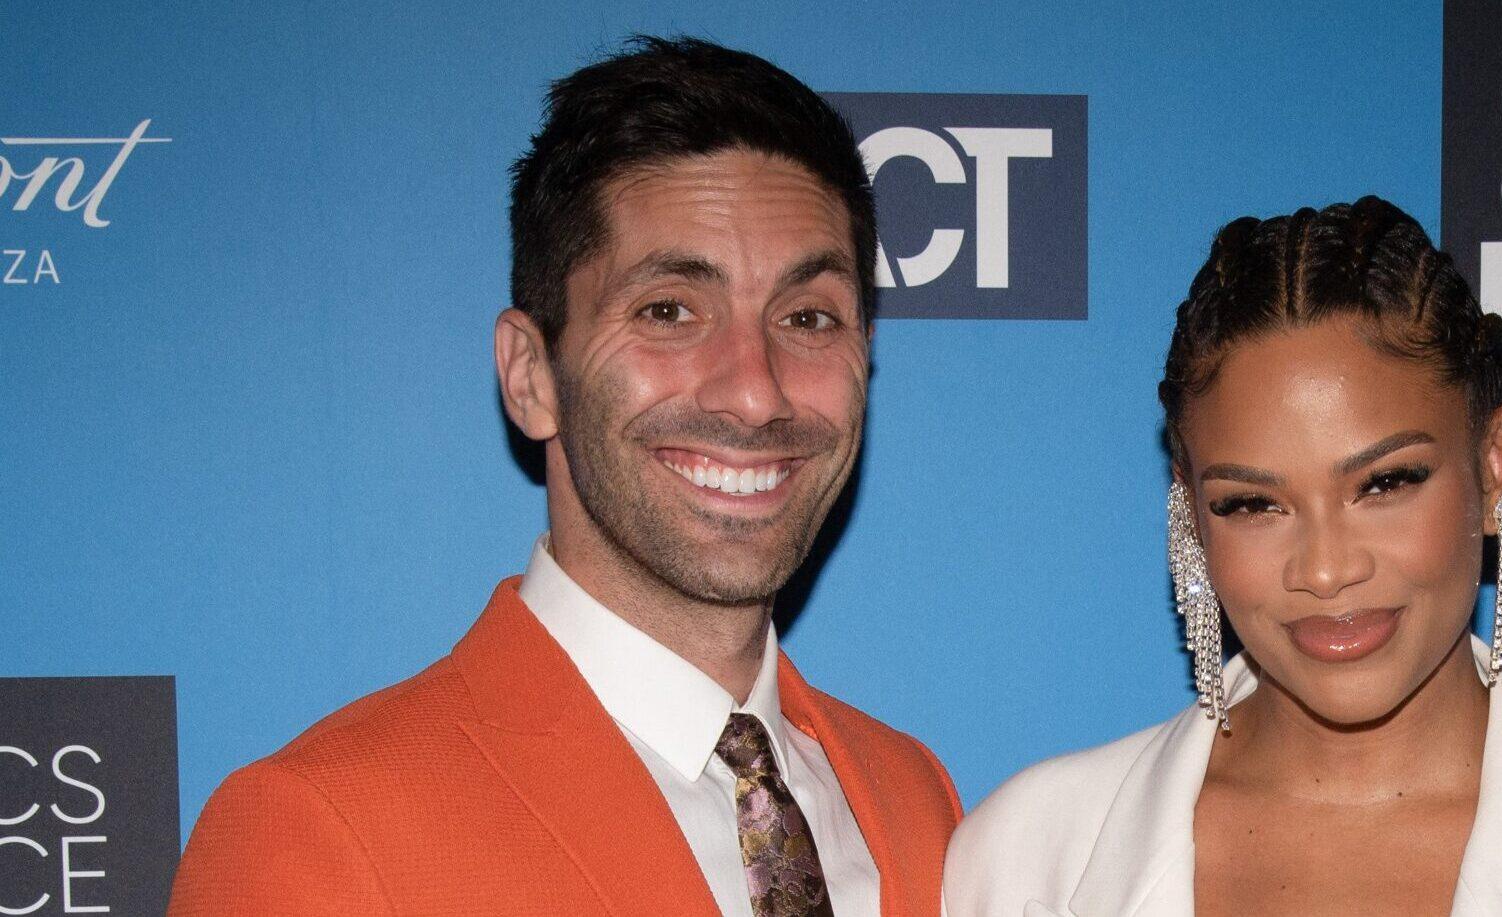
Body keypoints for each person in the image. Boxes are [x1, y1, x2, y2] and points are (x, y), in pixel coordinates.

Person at [170, 36, 960, 917]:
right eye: (669, 311)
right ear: (531, 374)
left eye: (808, 316)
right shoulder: (320, 831)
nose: (753, 388)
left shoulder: (920, 802)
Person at [942, 198, 1502, 917]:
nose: (1325, 570)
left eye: (1385, 483)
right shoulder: (1028, 859)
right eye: (1253, 503)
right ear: (1190, 514)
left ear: (1494, 468)